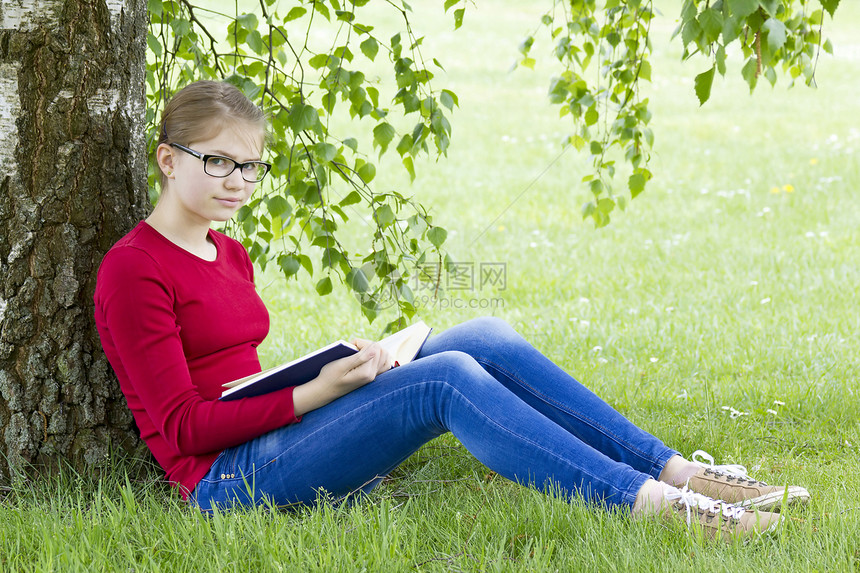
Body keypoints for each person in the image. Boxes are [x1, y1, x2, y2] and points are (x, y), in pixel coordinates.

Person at [94, 81, 809, 541]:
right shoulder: (134, 269)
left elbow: (243, 377)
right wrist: (319, 391)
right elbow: (186, 427)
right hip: (225, 483)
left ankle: (680, 471)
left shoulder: (228, 252)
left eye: (252, 166)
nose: (239, 181)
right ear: (166, 158)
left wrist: (347, 371)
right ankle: (659, 505)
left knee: (482, 336)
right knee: (445, 380)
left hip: (277, 435)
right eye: (218, 162)